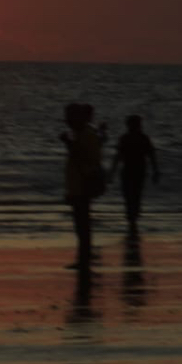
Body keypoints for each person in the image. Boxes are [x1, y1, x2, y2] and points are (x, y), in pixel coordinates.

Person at [60, 102, 104, 269]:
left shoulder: (86, 134)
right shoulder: (82, 134)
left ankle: (84, 260)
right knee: (81, 224)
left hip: (82, 186)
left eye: (70, 117)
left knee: (82, 224)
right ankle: (84, 258)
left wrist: (68, 143)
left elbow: (85, 157)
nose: (67, 121)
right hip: (78, 186)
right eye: (67, 117)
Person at [108, 115, 159, 235]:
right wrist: (155, 171)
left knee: (132, 196)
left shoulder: (135, 138)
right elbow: (118, 156)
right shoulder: (136, 138)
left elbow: (151, 155)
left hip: (135, 171)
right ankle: (132, 219)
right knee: (132, 196)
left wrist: (155, 171)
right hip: (133, 171)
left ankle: (132, 219)